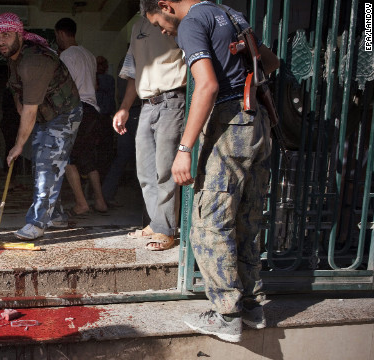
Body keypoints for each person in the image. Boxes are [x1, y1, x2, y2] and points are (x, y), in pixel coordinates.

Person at [141, 0, 280, 343]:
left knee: (209, 222)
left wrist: (184, 149)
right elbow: (271, 62)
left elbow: (206, 85)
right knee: (248, 218)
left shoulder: (191, 23)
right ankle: (251, 305)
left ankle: (227, 314)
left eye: (159, 22)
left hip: (231, 121)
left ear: (166, 5)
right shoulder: (233, 15)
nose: (162, 30)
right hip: (259, 122)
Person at [0, 12, 82, 240]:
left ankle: (37, 223)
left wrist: (18, 145)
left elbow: (30, 109)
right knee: (43, 165)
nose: (1, 41)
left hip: (64, 114)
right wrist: (20, 110)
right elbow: (17, 90)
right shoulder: (14, 58)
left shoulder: (34, 60)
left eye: (7, 35)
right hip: (44, 115)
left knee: (46, 166)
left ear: (19, 35)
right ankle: (57, 216)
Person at [112, 17, 186, 251]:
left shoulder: (175, 19)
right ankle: (157, 223)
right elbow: (134, 71)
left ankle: (166, 229)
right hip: (147, 103)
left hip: (173, 98)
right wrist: (124, 107)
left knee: (165, 170)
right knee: (145, 171)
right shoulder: (137, 27)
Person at [54, 17, 109, 216]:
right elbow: (94, 85)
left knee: (66, 157)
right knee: (88, 158)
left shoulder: (67, 55)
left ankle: (81, 203)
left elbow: (65, 87)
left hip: (76, 109)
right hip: (93, 109)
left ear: (60, 33)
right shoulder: (89, 54)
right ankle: (100, 201)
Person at [101, 54, 140, 207]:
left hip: (127, 111)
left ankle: (107, 193)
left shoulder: (124, 63)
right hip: (135, 111)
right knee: (138, 158)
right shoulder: (134, 60)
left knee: (123, 157)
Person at [95, 55, 117, 178]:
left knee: (100, 152)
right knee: (104, 152)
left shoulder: (103, 80)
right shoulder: (108, 79)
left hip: (101, 118)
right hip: (103, 119)